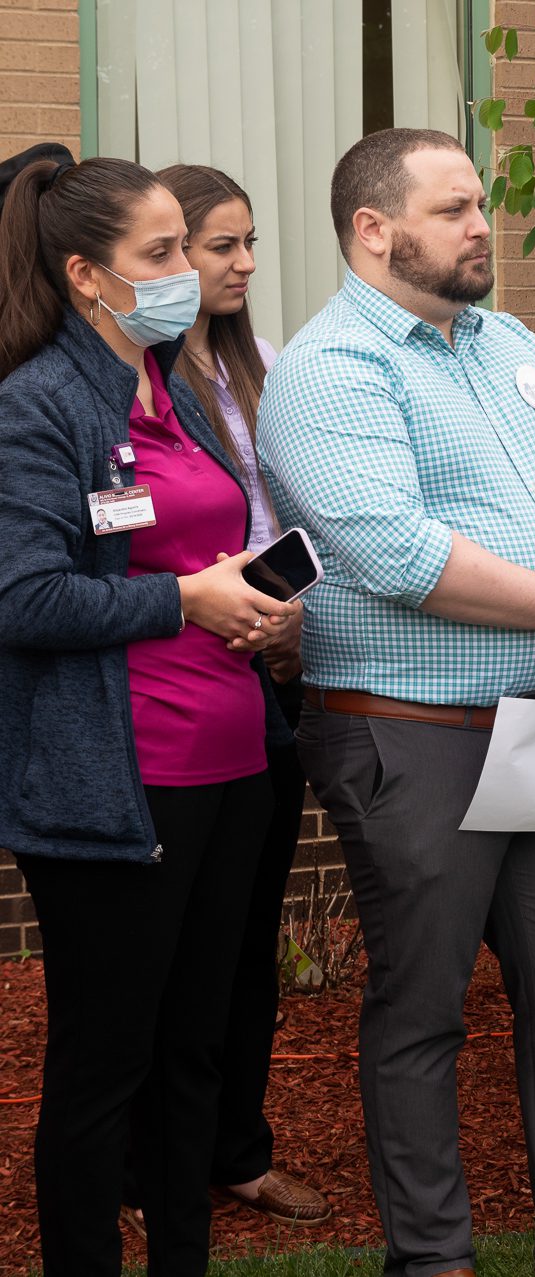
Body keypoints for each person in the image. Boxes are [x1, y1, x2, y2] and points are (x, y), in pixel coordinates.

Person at [256, 128, 535, 1277]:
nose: (483, 224)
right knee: (425, 1002)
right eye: (453, 209)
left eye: (481, 202)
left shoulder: (508, 343)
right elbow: (397, 550)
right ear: (373, 230)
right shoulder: (331, 367)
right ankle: (434, 1256)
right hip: (408, 732)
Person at [0, 145, 288, 1276]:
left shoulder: (174, 382)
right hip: (119, 785)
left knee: (194, 1052)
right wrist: (185, 595)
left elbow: (198, 544)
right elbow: (23, 592)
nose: (192, 270)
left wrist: (247, 598)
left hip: (233, 766)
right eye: (161, 253)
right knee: (105, 1062)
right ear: (86, 276)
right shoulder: (36, 404)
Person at [156, 161, 331, 1226]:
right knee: (169, 949)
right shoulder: (138, 384)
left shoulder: (262, 365)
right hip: (179, 684)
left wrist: (288, 614)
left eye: (248, 243)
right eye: (220, 245)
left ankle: (237, 1146)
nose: (242, 264)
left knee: (244, 933)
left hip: (272, 676)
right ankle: (145, 1164)